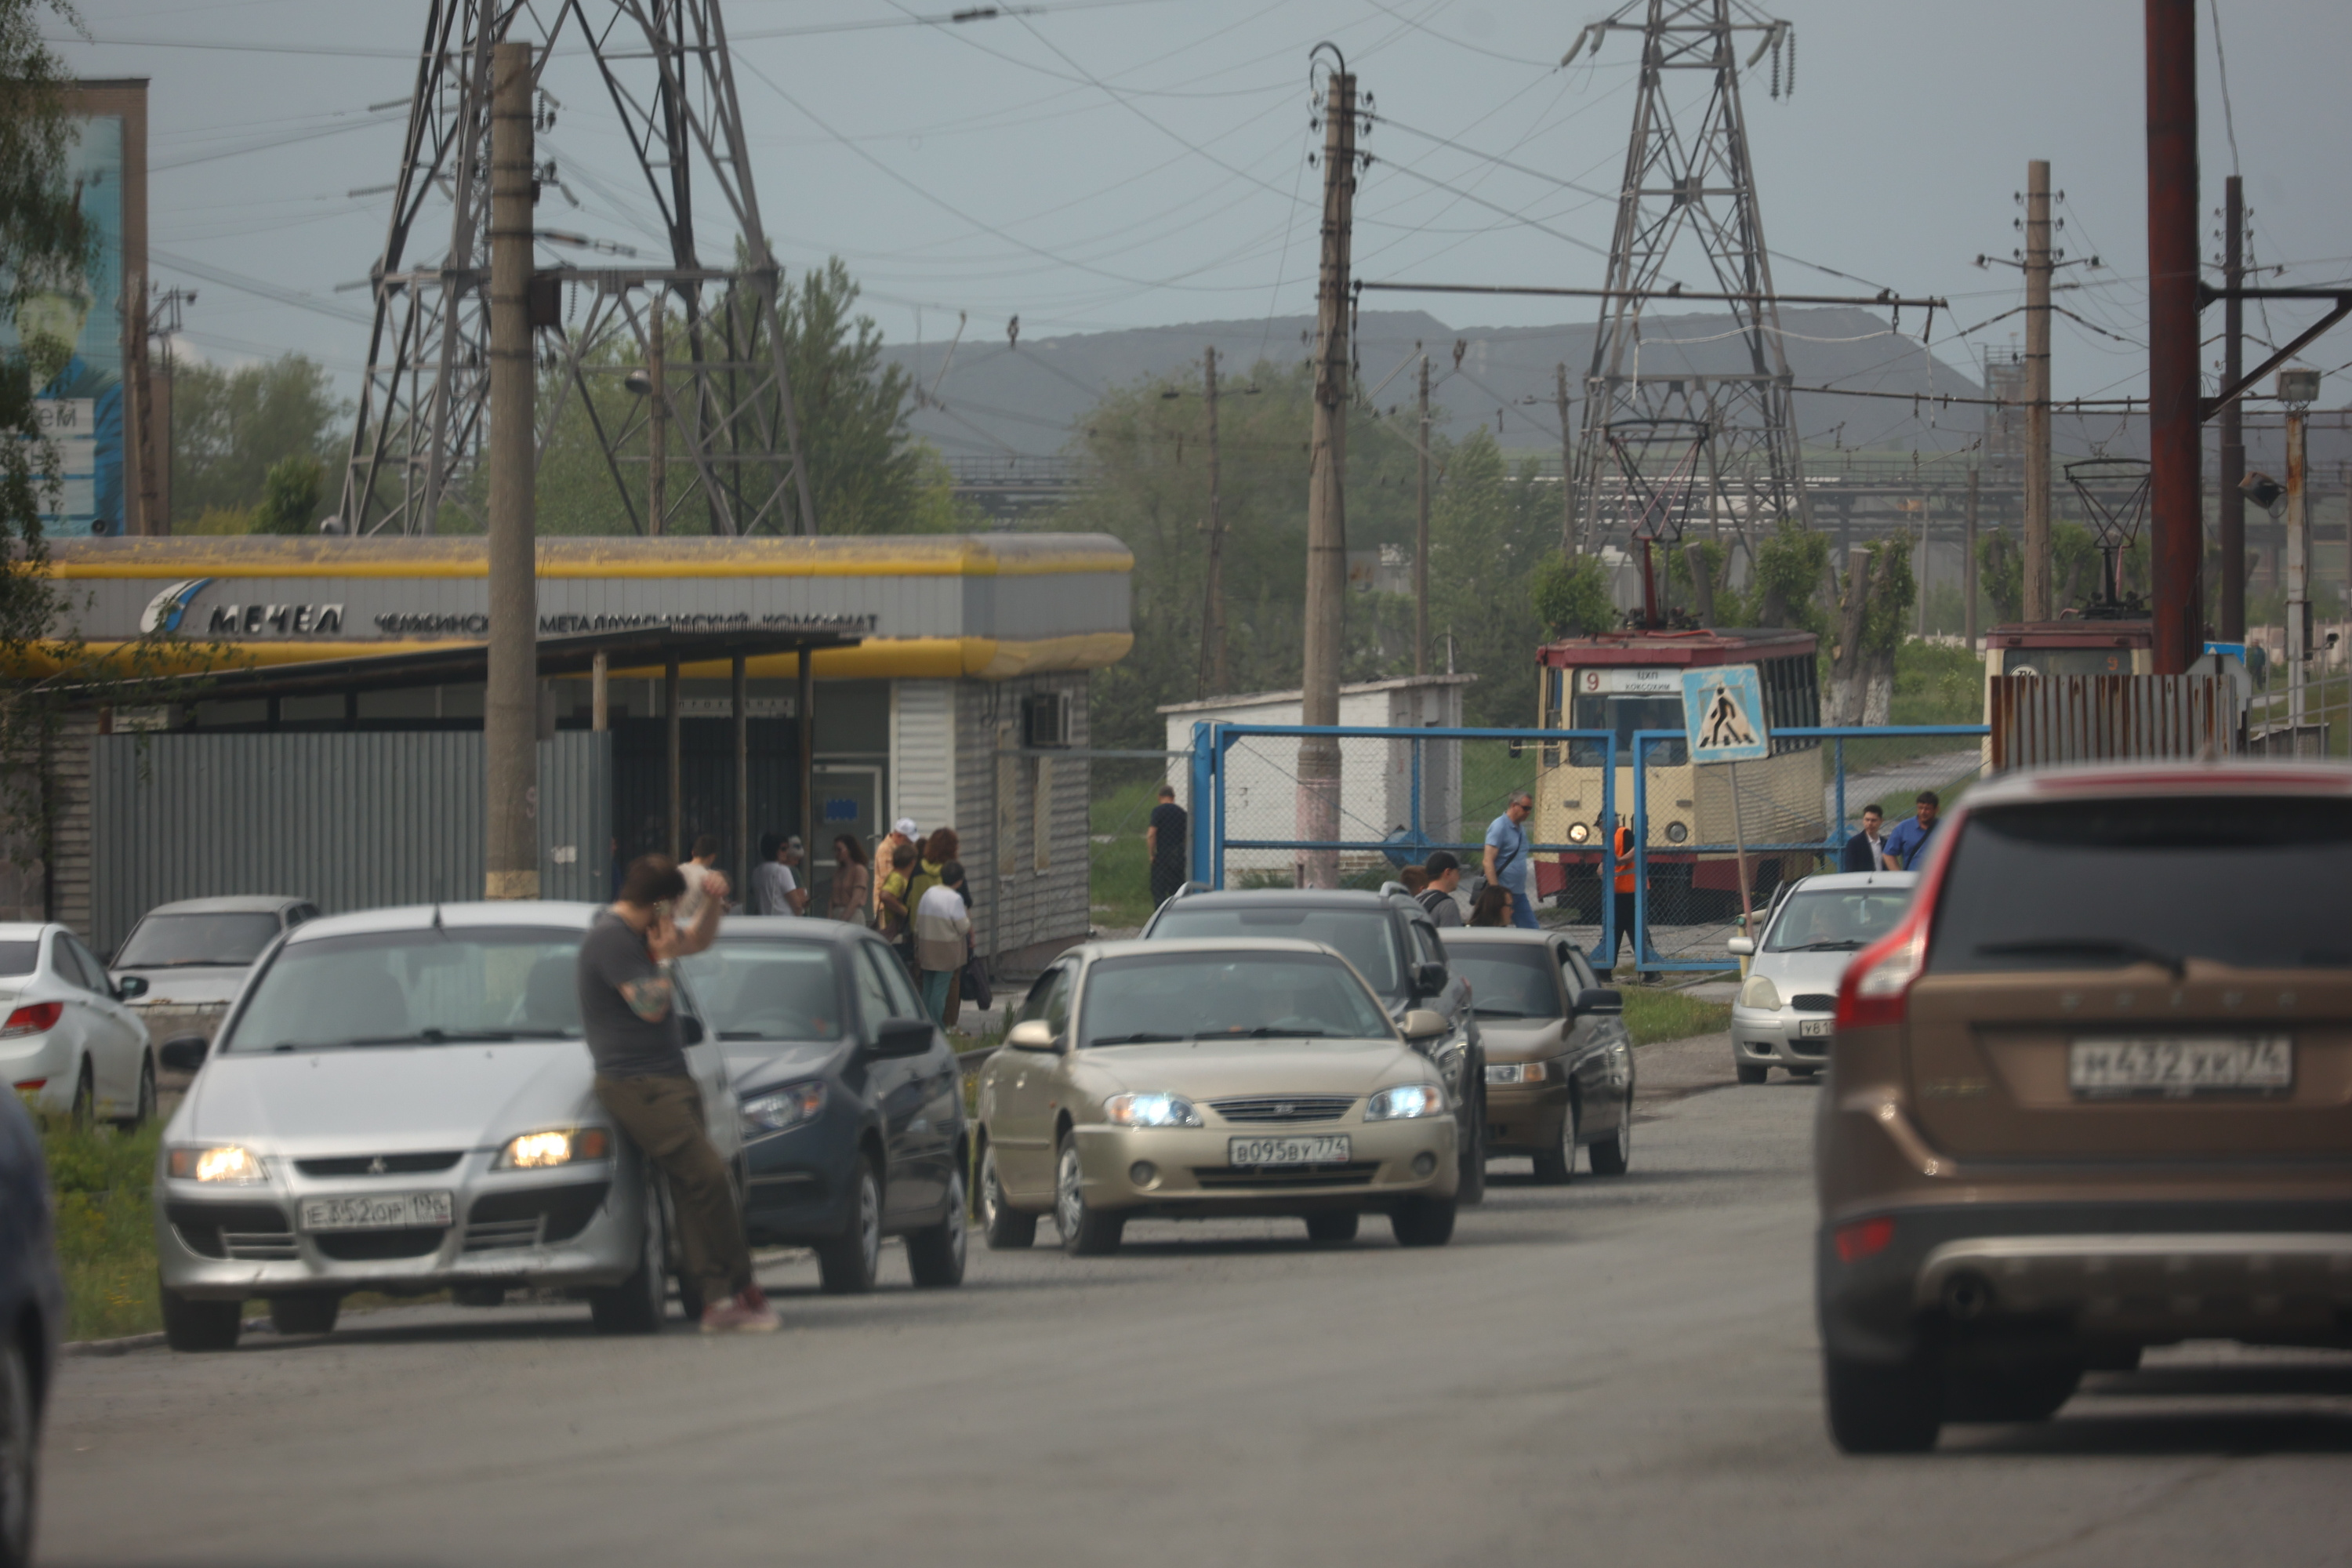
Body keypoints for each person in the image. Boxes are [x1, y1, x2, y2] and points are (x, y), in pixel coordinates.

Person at [577, 854, 776, 1334]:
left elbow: (700, 939)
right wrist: (662, 958)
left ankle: (717, 1300)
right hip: (637, 1084)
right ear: (660, 904)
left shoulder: (643, 932)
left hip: (669, 1076)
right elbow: (649, 1006)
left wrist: (711, 901)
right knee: (709, 1176)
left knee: (692, 1188)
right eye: (672, 907)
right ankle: (742, 1284)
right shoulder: (612, 939)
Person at [913, 861, 973, 1022]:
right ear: (960, 880)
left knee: (928, 989)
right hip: (946, 951)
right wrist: (968, 920)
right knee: (940, 991)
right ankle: (936, 1027)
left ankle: (924, 1024)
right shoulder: (955, 899)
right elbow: (963, 927)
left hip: (926, 947)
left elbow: (917, 925)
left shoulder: (929, 893)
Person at [1483, 791, 1541, 930]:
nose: (1528, 813)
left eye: (1530, 809)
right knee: (1496, 930)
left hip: (1518, 893)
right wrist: (1497, 892)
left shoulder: (1520, 829)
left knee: (1531, 931)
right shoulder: (1499, 826)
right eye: (1526, 808)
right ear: (1514, 805)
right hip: (1502, 893)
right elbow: (1488, 861)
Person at [1604, 815, 1639, 978]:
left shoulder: (1623, 833)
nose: (1599, 829)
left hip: (1629, 891)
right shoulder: (1611, 839)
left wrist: (1620, 861)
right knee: (1629, 929)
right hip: (1620, 892)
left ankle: (1603, 970)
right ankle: (1652, 971)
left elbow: (1637, 848)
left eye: (1600, 825)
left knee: (1616, 929)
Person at [1146, 785, 1189, 908]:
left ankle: (1160, 916)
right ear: (1173, 797)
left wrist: (1151, 854)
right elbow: (1186, 836)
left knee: (1159, 890)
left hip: (1162, 857)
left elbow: (1151, 834)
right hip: (1178, 857)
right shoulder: (1182, 813)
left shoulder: (1158, 811)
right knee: (1177, 890)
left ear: (1159, 797)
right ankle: (1177, 915)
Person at [872, 818, 918, 924]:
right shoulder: (885, 849)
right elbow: (888, 878)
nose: (910, 844)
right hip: (887, 906)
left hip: (899, 904)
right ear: (898, 835)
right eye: (908, 841)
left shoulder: (900, 848)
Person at [1882, 791, 1942, 870]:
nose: (1923, 812)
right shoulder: (1903, 828)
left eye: (1927, 809)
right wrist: (1899, 876)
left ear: (1936, 809)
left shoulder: (1946, 827)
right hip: (1911, 879)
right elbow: (1888, 854)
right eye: (1920, 808)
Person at [878, 844, 917, 965]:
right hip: (897, 932)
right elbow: (885, 895)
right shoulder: (897, 878)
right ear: (912, 862)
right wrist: (905, 912)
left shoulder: (899, 877)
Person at [827, 834, 872, 925]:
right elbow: (832, 897)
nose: (836, 853)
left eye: (839, 850)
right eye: (835, 850)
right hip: (836, 913)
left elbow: (856, 899)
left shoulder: (859, 870)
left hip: (852, 915)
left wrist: (843, 920)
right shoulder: (839, 871)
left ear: (850, 850)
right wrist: (829, 917)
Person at [750, 833, 797, 916]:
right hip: (784, 922)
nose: (786, 852)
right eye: (783, 849)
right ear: (774, 850)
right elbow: (795, 903)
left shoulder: (756, 872)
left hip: (764, 920)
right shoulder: (782, 870)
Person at [678, 834, 723, 920]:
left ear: (693, 853)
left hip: (673, 928)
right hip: (696, 930)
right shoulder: (711, 878)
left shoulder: (675, 872)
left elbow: (659, 902)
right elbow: (719, 913)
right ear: (712, 857)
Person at [1417, 851, 1465, 927]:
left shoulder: (1417, 899)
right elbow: (1452, 937)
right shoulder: (1447, 905)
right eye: (1457, 872)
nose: (1459, 878)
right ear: (1448, 872)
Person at [1840, 805, 1887, 874]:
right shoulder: (1854, 843)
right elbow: (1850, 869)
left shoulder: (1885, 842)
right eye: (1867, 820)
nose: (1870, 823)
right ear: (1863, 820)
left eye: (1873, 820)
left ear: (1881, 821)